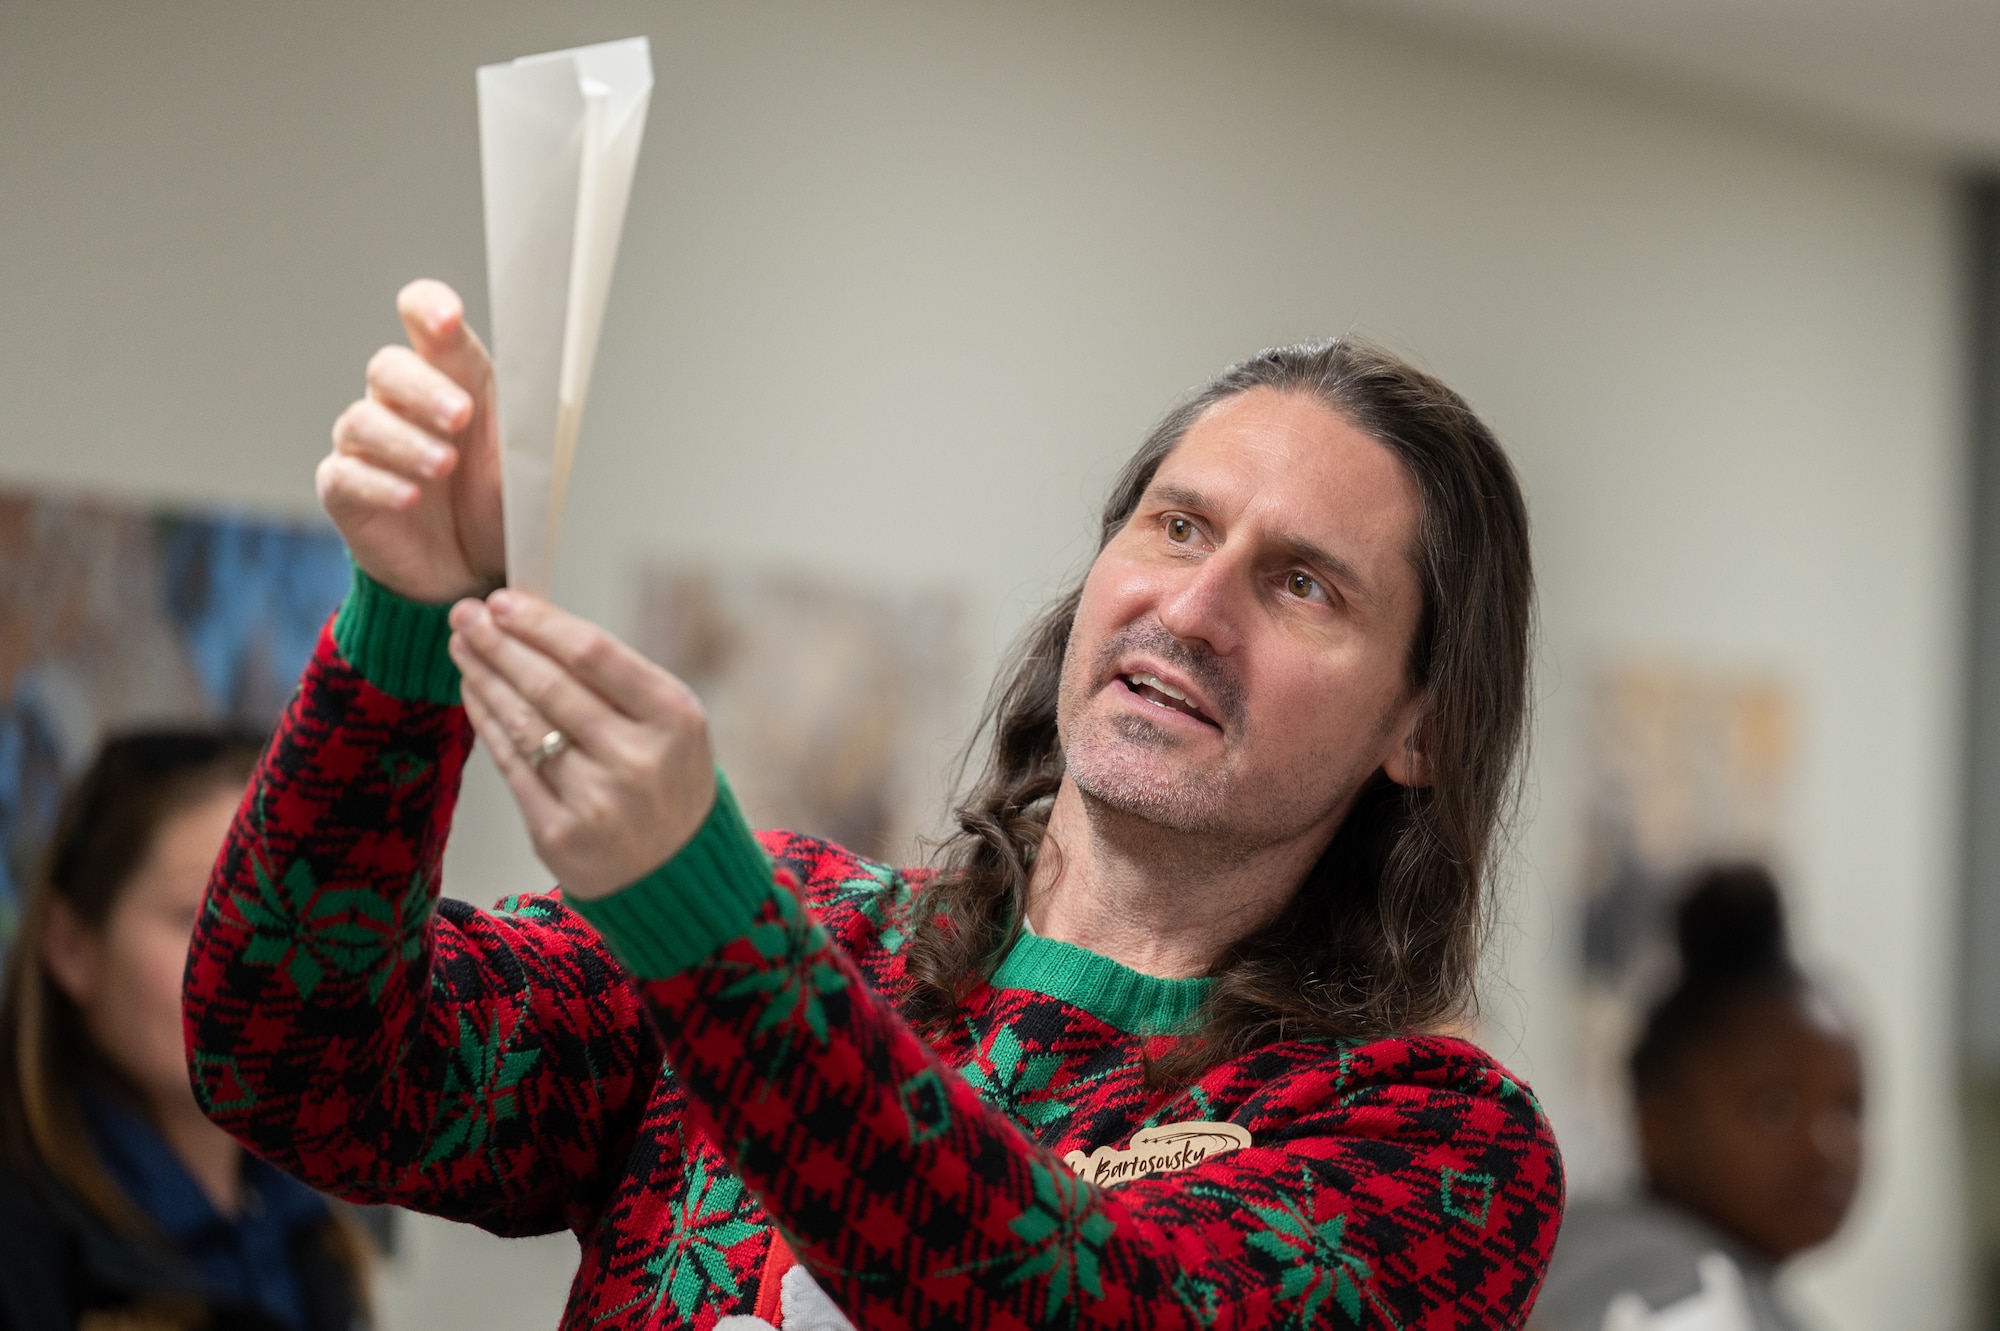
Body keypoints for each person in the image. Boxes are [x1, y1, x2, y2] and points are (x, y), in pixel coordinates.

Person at [183, 279, 1565, 1328]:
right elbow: (300, 1060)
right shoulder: (810, 923)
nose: (1192, 607)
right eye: (1177, 524)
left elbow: (1081, 1302)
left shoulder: (1435, 1141)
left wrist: (702, 919)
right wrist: (403, 628)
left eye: (1302, 583)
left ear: (1421, 725)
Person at [0, 730, 371, 1331]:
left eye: (291, 917)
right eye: (206, 918)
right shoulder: (23, 1249)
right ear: (70, 946)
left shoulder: (313, 1222)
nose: (263, 965)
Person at [1532, 865, 1865, 1331]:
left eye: (1849, 1110)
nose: (1827, 1144)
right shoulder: (1664, 1282)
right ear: (1657, 1121)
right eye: (1775, 1107)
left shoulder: (1731, 1287)